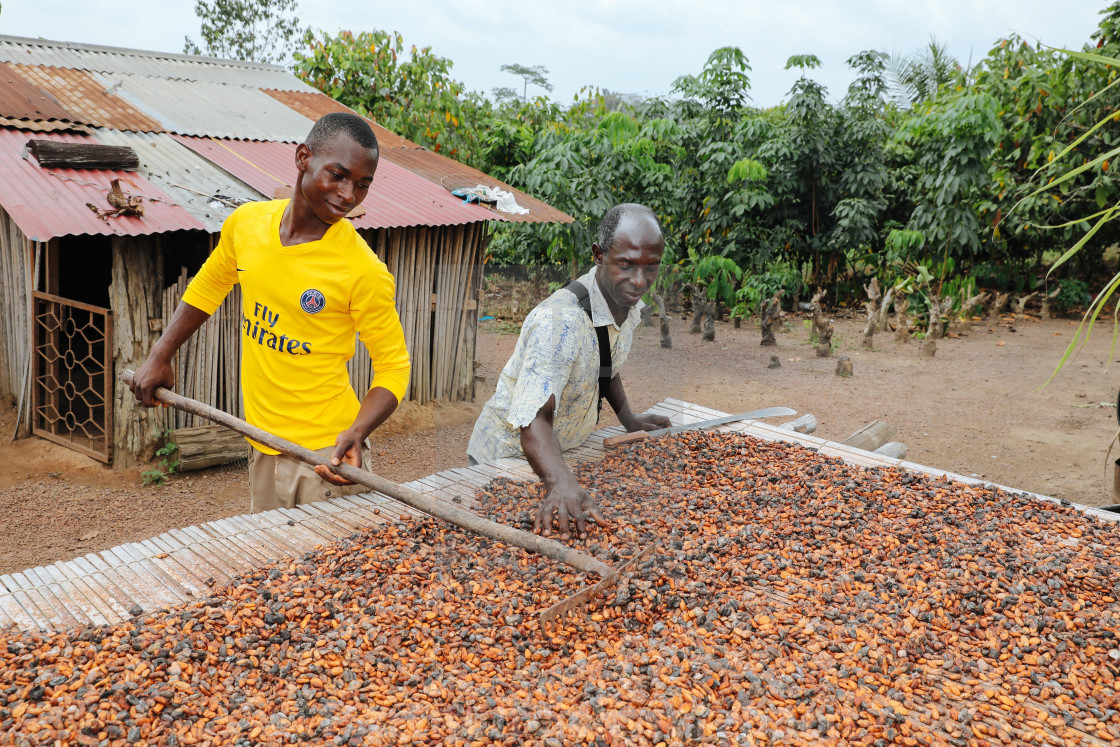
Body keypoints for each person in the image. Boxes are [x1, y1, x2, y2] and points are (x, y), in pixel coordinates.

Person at [130, 112, 410, 512]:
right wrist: (161, 354)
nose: (349, 194)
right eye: (338, 174)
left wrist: (356, 432)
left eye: (362, 184)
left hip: (327, 458)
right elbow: (209, 286)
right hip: (261, 445)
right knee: (272, 568)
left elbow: (394, 367)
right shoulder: (247, 226)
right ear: (302, 158)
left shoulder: (362, 270)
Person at [467, 203, 671, 540]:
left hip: (559, 454)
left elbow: (604, 364)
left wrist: (628, 419)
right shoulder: (559, 324)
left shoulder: (623, 303)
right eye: (626, 265)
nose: (639, 281)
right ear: (599, 255)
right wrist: (559, 482)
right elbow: (533, 419)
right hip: (509, 457)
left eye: (652, 267)